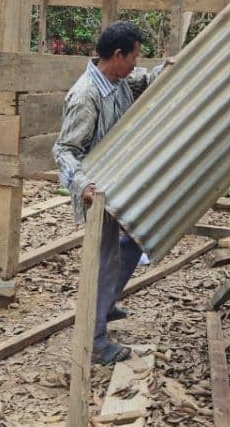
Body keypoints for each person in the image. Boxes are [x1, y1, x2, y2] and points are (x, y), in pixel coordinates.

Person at [52, 21, 172, 365]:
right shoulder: (86, 95)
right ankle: (95, 341)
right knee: (103, 261)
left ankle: (104, 304)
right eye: (134, 56)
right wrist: (83, 186)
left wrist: (167, 67)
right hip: (95, 190)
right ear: (117, 55)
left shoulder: (116, 81)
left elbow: (141, 80)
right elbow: (64, 150)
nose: (136, 62)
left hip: (116, 182)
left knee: (134, 241)